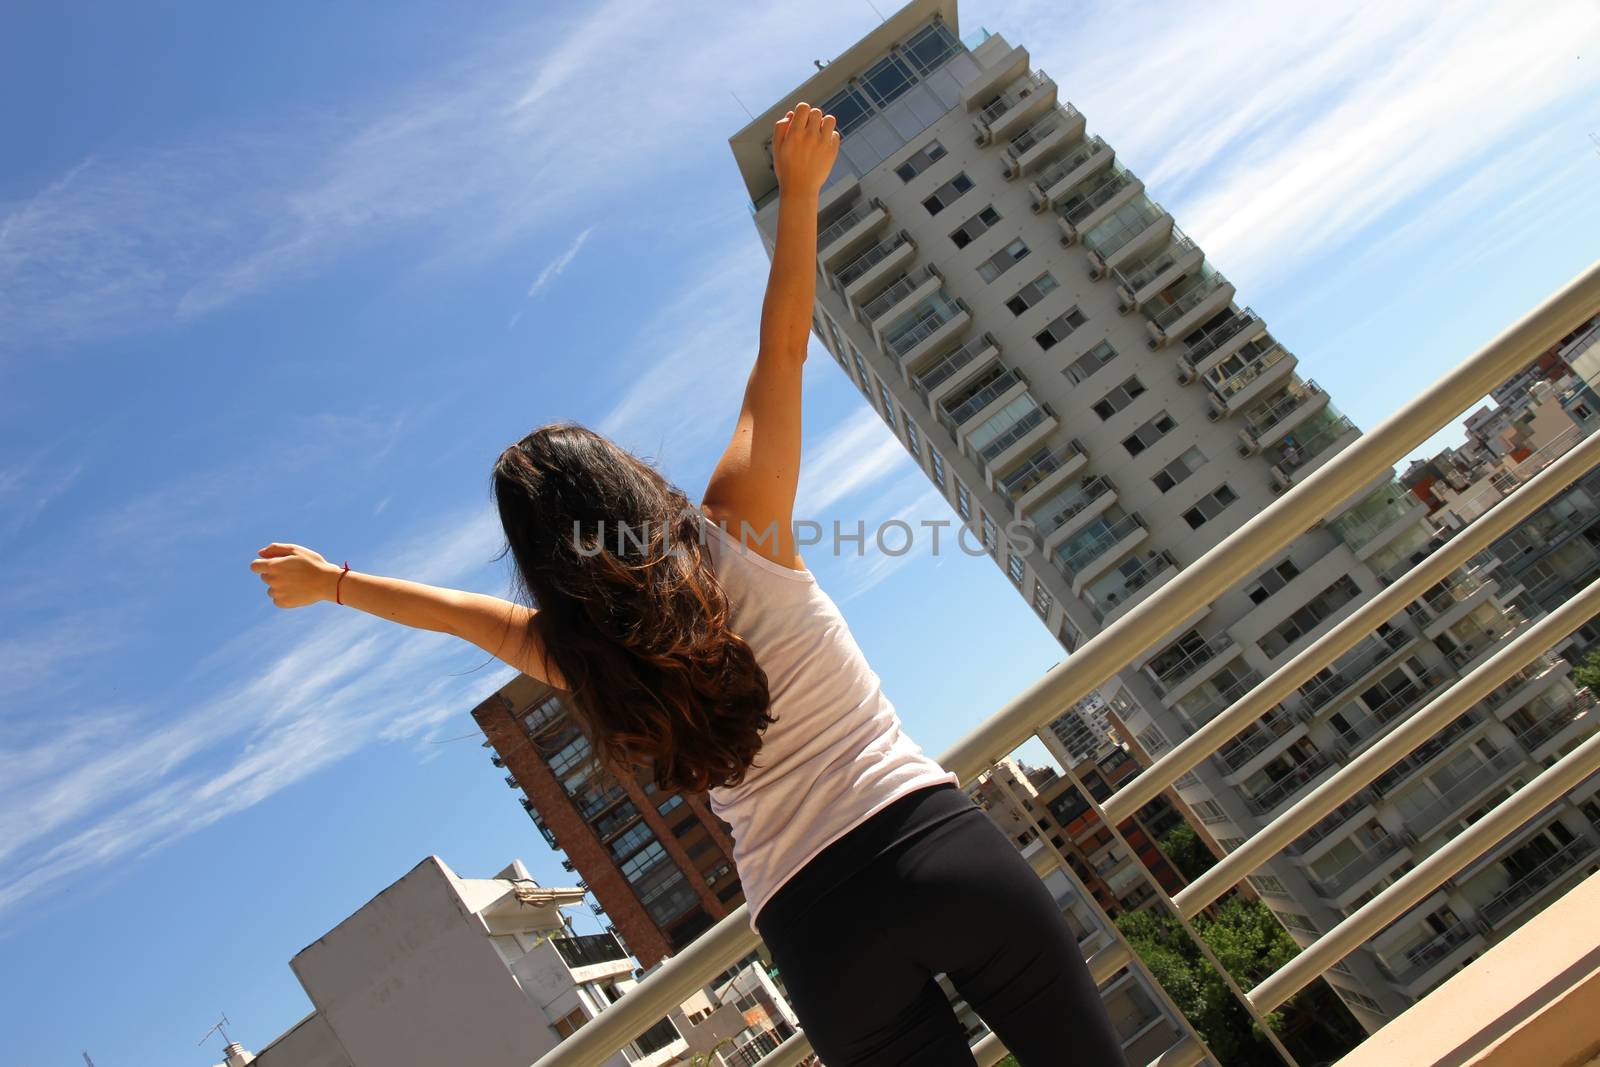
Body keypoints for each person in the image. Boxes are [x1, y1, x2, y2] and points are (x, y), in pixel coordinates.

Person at [250, 101, 1128, 1067]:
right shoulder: (737, 528)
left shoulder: (580, 656)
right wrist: (799, 194)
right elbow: (782, 351)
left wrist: (332, 583)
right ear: (626, 478)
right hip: (930, 844)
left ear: (542, 562)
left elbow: (463, 619)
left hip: (816, 932)